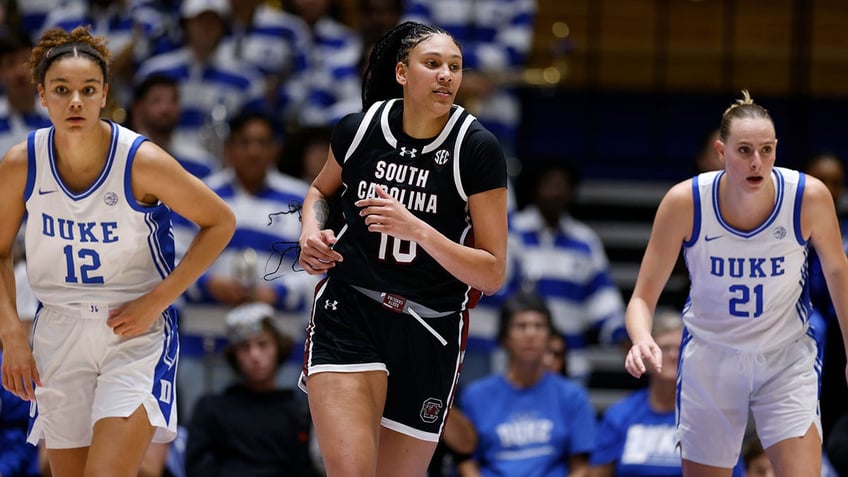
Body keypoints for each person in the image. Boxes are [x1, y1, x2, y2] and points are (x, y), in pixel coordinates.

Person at [0, 25, 235, 477]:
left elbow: (219, 221)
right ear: (41, 95)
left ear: (105, 93)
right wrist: (11, 335)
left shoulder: (139, 160)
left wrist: (158, 301)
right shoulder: (21, 162)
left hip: (134, 332)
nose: (75, 102)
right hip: (58, 331)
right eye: (61, 89)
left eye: (88, 90)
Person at [297, 21, 508, 477]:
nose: (446, 76)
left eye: (455, 67)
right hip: (350, 308)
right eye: (432, 64)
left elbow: (492, 274)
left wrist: (419, 229)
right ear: (401, 73)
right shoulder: (359, 130)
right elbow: (320, 191)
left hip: (428, 327)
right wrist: (310, 233)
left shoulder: (476, 148)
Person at [624, 90, 848, 476]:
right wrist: (642, 337)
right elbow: (642, 298)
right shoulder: (685, 202)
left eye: (766, 149)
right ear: (720, 150)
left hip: (784, 355)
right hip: (712, 358)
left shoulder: (808, 197)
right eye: (744, 150)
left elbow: (839, 274)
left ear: (777, 149)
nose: (756, 162)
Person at [457, 290, 596, 476]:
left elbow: (581, 467)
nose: (531, 334)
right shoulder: (475, 396)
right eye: (521, 326)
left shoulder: (572, 396)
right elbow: (467, 463)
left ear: (549, 337)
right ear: (504, 338)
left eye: (539, 326)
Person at [512, 161, 627, 383]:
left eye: (562, 186)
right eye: (549, 185)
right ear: (535, 189)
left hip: (571, 360)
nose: (555, 192)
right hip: (518, 361)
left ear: (571, 192)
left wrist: (621, 334)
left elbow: (602, 297)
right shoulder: (514, 232)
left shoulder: (585, 241)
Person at [184, 302, 313, 477]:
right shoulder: (210, 409)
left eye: (263, 344)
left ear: (278, 348)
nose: (255, 355)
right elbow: (197, 468)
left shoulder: (300, 412)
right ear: (234, 355)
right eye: (245, 347)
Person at [804, 152, 848, 444]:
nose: (829, 189)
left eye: (836, 182)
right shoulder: (788, 224)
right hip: (799, 321)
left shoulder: (845, 230)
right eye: (822, 181)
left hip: (839, 331)